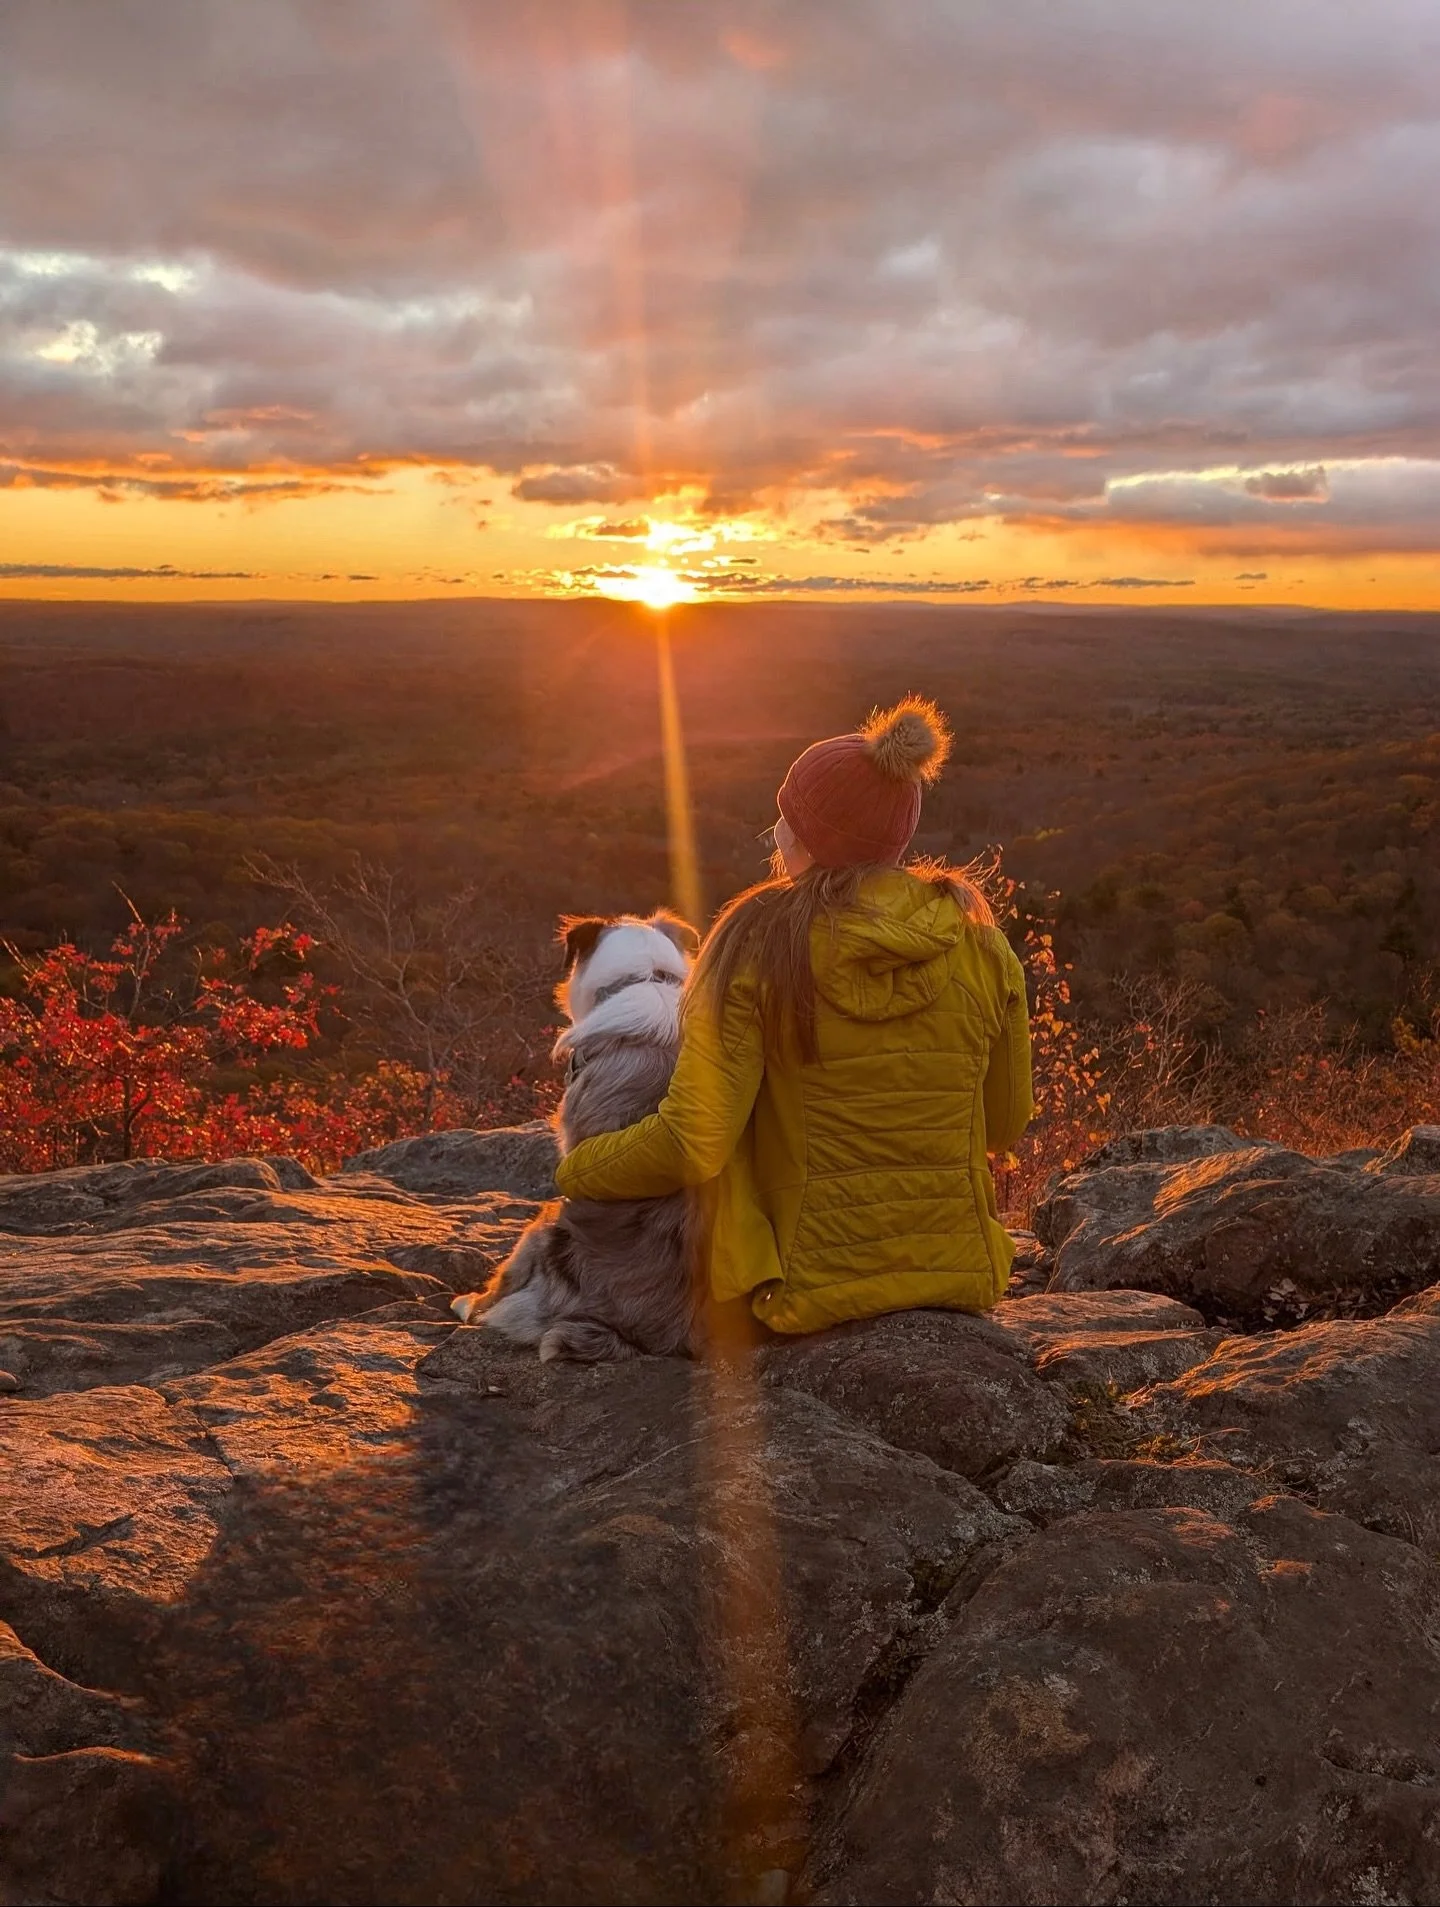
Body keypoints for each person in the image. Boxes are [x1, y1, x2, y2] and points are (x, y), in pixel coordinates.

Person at [554, 695, 1034, 1335]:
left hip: (798, 1292)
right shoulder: (982, 943)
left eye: (784, 816)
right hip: (959, 1277)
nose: (775, 830)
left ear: (802, 836)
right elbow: (1004, 1123)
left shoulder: (758, 940)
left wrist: (575, 1170)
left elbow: (695, 1143)